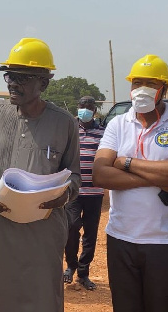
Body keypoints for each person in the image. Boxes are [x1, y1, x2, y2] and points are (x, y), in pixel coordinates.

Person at [0, 37, 81, 312]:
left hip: (43, 227)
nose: (13, 83)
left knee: (42, 298)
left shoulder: (63, 122)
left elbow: (75, 176)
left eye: (23, 77)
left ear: (44, 84)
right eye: (10, 76)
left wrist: (64, 194)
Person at [93, 54, 168, 312]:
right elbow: (100, 175)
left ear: (164, 89)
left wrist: (125, 162)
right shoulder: (118, 123)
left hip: (164, 241)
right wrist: (157, 179)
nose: (141, 90)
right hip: (121, 238)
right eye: (136, 83)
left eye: (149, 84)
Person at [63, 95, 105, 291]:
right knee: (71, 227)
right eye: (82, 105)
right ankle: (70, 265)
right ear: (77, 107)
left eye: (89, 106)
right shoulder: (70, 130)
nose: (85, 109)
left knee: (90, 233)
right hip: (73, 190)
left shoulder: (103, 133)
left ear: (94, 111)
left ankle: (83, 272)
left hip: (95, 191)